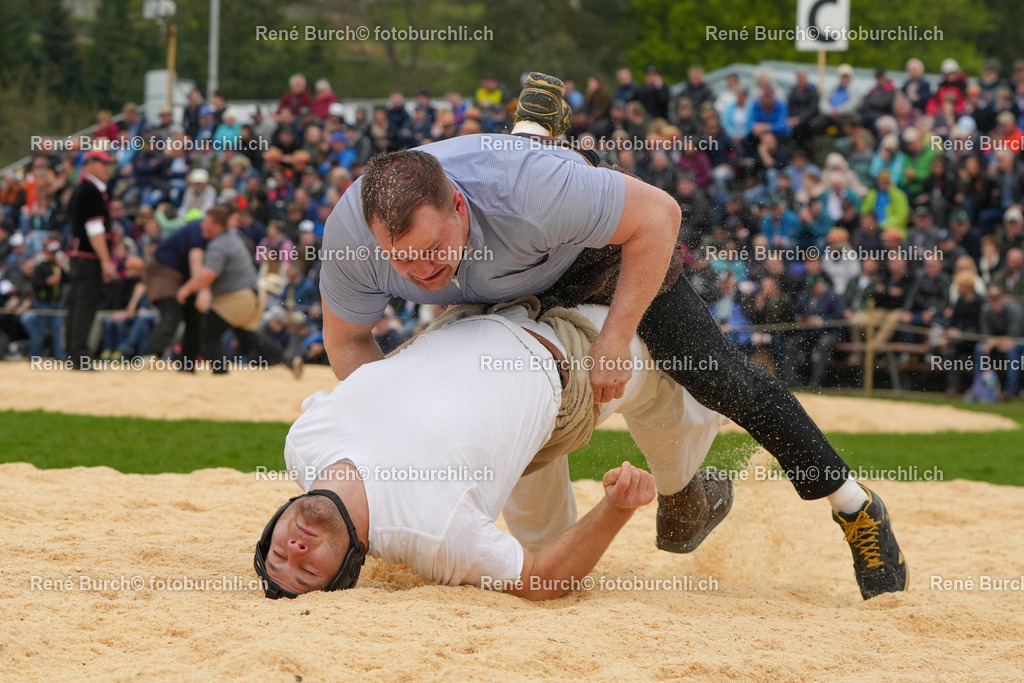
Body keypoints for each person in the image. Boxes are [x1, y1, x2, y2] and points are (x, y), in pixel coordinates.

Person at [254, 303, 731, 600]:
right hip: (567, 359)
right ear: (349, 563)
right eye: (308, 570)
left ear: (273, 527)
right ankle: (683, 497)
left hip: (471, 306)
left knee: (523, 485)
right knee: (667, 386)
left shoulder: (303, 444)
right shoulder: (431, 535)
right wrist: (615, 508)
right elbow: (540, 578)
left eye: (277, 557)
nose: (293, 552)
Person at [65, 149, 117, 368]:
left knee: (77, 306)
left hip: (79, 258)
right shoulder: (91, 191)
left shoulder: (82, 189)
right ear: (91, 165)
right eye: (104, 164)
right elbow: (95, 230)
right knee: (85, 307)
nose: (108, 169)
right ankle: (80, 357)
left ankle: (73, 354)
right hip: (89, 258)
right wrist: (106, 260)